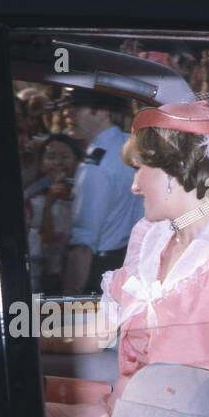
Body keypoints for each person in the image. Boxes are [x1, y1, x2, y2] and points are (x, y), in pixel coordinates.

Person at [45, 102, 209, 417]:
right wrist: (18, 336)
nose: (134, 186)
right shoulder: (149, 237)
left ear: (177, 171)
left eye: (140, 170)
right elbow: (100, 331)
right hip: (117, 415)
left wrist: (191, 407)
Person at [61, 93, 143, 294]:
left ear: (104, 111)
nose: (67, 113)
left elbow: (83, 244)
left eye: (77, 106)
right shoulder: (132, 144)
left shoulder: (95, 166)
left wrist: (66, 305)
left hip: (100, 270)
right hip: (135, 265)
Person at [26, 135, 80, 292]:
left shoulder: (85, 191)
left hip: (77, 270)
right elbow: (46, 239)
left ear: (77, 160)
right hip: (45, 276)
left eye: (64, 156)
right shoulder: (32, 196)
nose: (57, 163)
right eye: (50, 157)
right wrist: (49, 203)